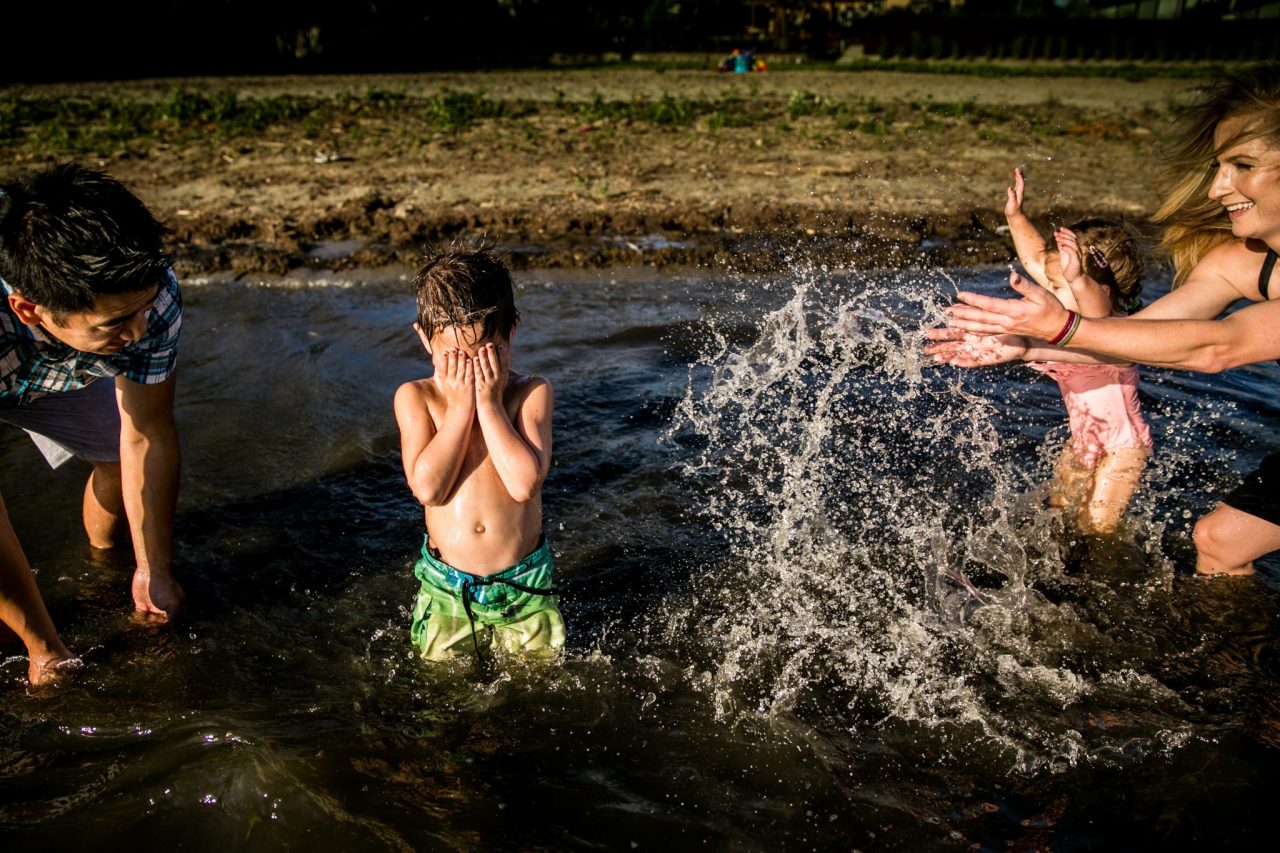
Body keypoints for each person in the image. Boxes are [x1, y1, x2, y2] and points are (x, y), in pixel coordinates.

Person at [929, 63, 1280, 577]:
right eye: (1218, 167)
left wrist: (1057, 328)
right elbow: (1138, 340)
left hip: (1122, 442)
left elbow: (1217, 347)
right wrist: (1029, 348)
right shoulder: (1238, 263)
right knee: (1220, 540)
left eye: (1242, 165)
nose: (1216, 189)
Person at [0, 163, 183, 685]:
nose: (142, 330)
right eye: (116, 323)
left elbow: (146, 432)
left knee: (116, 453)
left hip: (51, 363)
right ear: (30, 310)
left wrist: (154, 571)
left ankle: (104, 569)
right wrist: (43, 649)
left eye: (143, 308)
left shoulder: (149, 296)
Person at [393, 246, 563, 660]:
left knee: (536, 680)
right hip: (447, 584)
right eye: (454, 357)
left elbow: (523, 483)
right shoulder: (417, 398)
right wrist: (460, 410)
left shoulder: (530, 393)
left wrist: (488, 405)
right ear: (424, 338)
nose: (470, 370)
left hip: (523, 582)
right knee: (441, 684)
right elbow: (429, 489)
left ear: (512, 331)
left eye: (486, 353)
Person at [1000, 167, 1152, 534]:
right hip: (1082, 438)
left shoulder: (1111, 324)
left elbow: (1097, 313)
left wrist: (1078, 278)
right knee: (1058, 511)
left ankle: (1106, 582)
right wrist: (1015, 217)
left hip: (1124, 448)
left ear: (1100, 287)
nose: (1049, 289)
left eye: (1061, 282)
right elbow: (1036, 260)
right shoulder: (1070, 312)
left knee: (1097, 527)